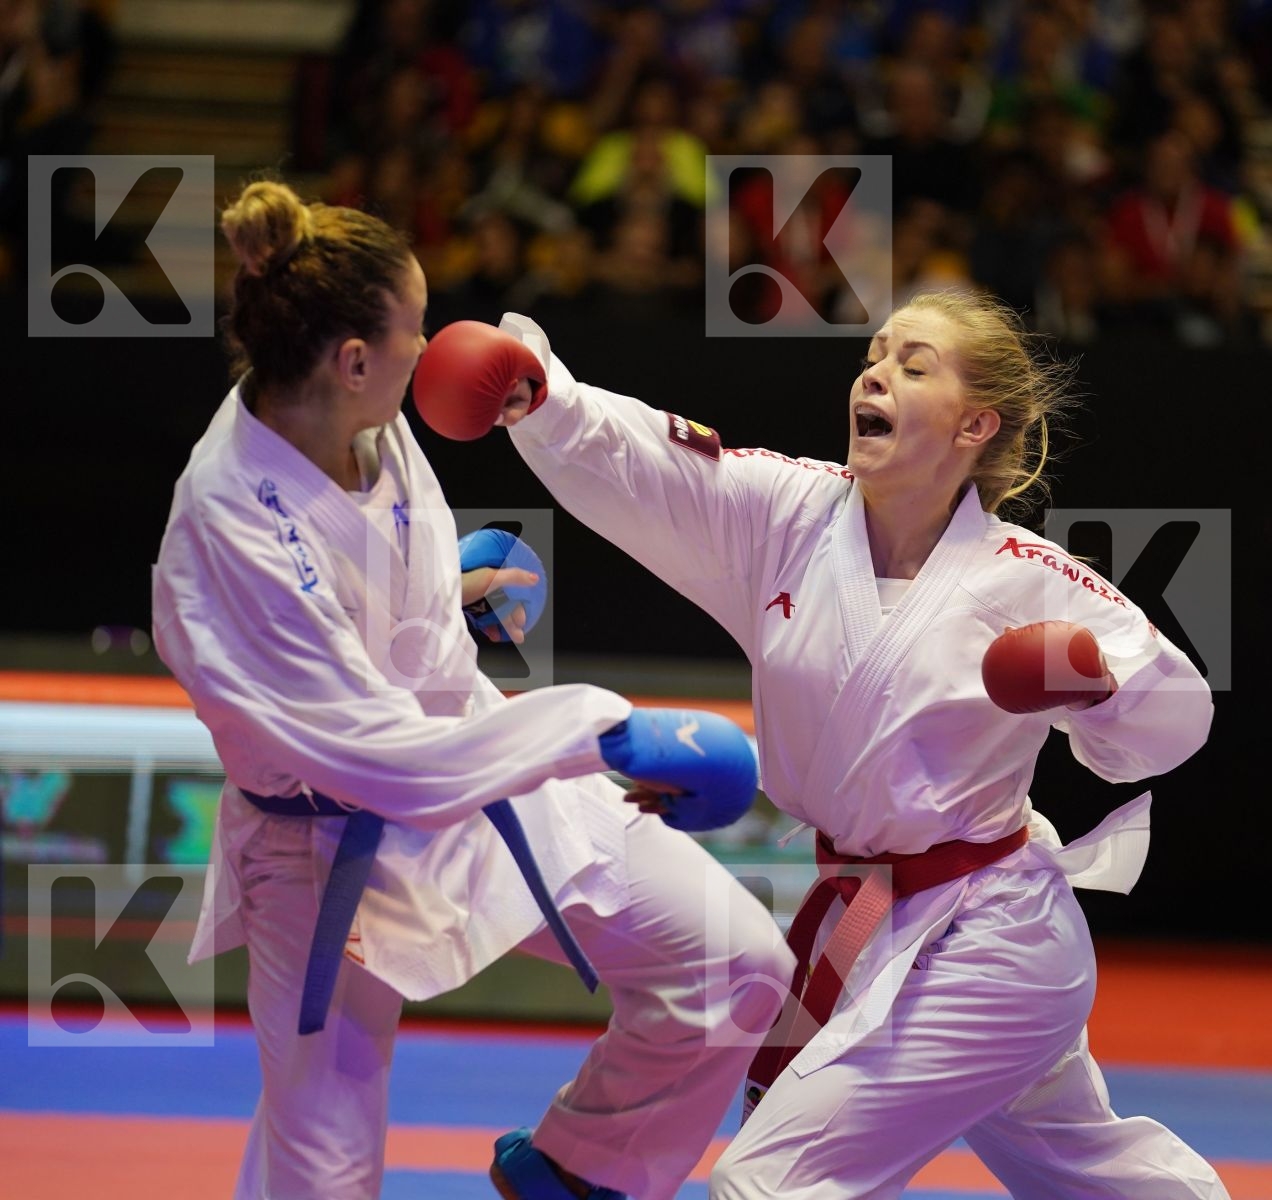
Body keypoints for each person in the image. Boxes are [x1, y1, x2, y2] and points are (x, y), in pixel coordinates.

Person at [413, 290, 1231, 1198]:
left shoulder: (1031, 579)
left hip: (990, 935)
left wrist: (1098, 684)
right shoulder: (791, 514)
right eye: (873, 357)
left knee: (768, 1185)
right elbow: (662, 468)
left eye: (913, 366)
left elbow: (1175, 718)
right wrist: (545, 399)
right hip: (868, 915)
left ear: (974, 425)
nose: (875, 375)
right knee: (1090, 1169)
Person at [150, 180, 792, 1200]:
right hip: (325, 850)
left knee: (734, 962)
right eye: (413, 329)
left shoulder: (354, 413)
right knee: (323, 1178)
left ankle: (579, 1172)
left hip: (474, 763)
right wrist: (607, 733)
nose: (428, 346)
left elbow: (357, 599)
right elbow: (383, 761)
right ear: (353, 359)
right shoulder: (229, 526)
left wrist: (445, 600)